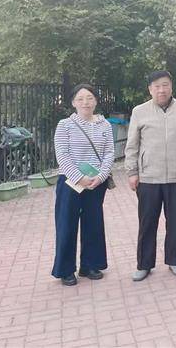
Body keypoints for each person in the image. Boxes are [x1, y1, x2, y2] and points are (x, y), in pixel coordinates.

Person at [125, 71, 176, 281]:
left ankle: (174, 260)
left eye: (165, 85)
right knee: (147, 222)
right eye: (157, 86)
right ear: (150, 89)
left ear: (171, 86)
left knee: (175, 222)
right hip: (148, 177)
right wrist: (132, 171)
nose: (161, 90)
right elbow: (132, 145)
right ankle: (144, 264)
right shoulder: (139, 111)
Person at [52, 84, 115, 286]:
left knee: (93, 223)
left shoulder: (105, 125)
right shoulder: (65, 125)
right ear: (73, 102)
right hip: (70, 182)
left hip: (96, 182)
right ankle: (65, 269)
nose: (85, 102)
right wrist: (78, 177)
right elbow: (62, 154)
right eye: (80, 99)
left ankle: (90, 265)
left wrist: (101, 176)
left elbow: (109, 153)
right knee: (66, 225)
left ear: (96, 101)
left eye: (89, 98)